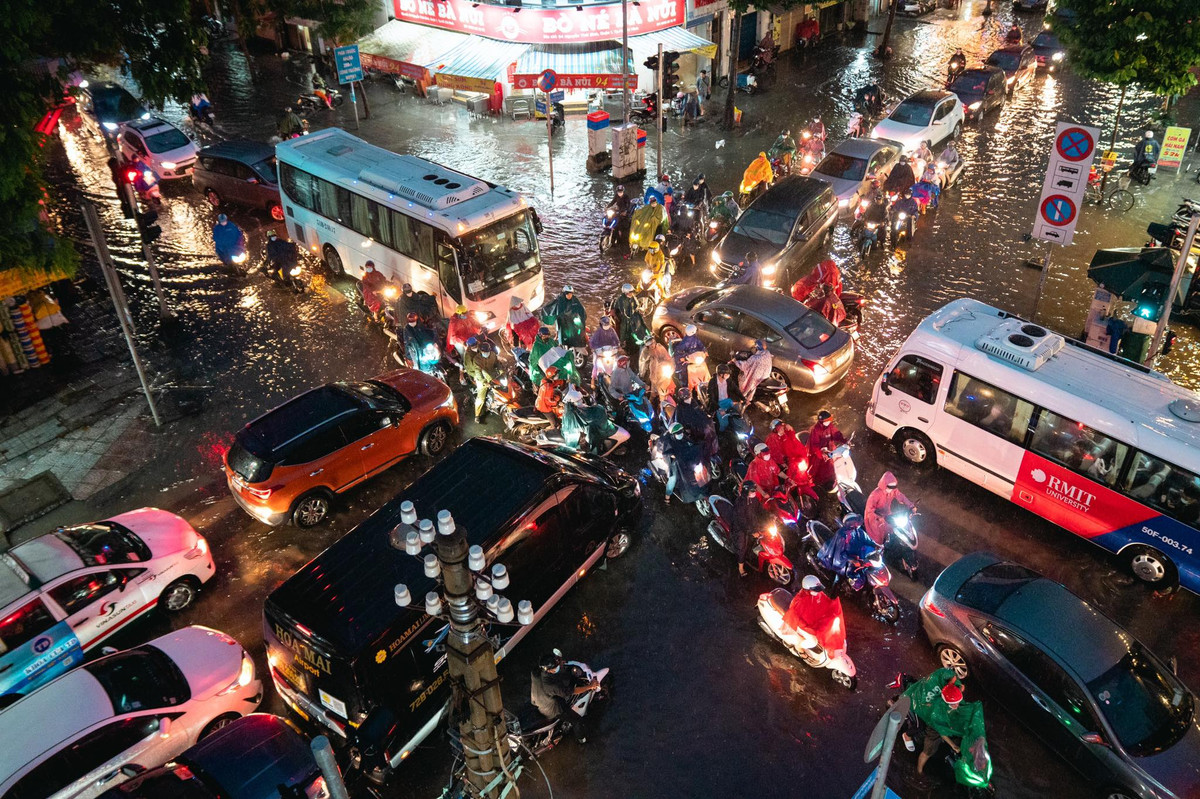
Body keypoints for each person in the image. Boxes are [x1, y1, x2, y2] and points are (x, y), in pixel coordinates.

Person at [902, 668, 990, 786]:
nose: (957, 705)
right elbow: (942, 731)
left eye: (958, 701)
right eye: (954, 703)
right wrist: (953, 745)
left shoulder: (954, 694)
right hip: (935, 728)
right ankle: (919, 771)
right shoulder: (937, 713)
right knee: (928, 751)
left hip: (949, 724)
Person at [531, 652, 598, 743]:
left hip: (537, 699)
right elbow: (571, 691)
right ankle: (582, 740)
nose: (557, 667)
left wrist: (558, 662)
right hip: (551, 709)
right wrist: (590, 686)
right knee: (577, 721)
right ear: (549, 670)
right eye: (555, 667)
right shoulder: (550, 686)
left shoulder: (535, 672)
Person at [783, 575, 847, 653]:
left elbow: (826, 602)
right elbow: (797, 619)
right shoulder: (800, 601)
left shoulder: (818, 593)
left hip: (813, 622)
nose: (818, 591)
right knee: (813, 642)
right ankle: (799, 647)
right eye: (816, 589)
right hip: (801, 625)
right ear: (807, 589)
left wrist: (834, 607)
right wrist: (809, 629)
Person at [729, 481, 770, 576]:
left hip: (752, 523)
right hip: (740, 527)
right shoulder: (740, 503)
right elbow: (741, 521)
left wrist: (770, 516)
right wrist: (752, 532)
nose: (754, 492)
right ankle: (741, 568)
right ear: (746, 491)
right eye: (752, 491)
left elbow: (760, 510)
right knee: (742, 547)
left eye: (754, 490)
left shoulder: (754, 499)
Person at [463, 337, 501, 422]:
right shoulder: (470, 356)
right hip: (477, 374)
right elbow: (475, 370)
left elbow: (497, 363)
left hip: (489, 373)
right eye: (473, 346)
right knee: (481, 398)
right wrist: (483, 382)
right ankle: (477, 415)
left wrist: (501, 370)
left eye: (475, 344)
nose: (475, 346)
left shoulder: (488, 352)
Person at [808, 410, 847, 491]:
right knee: (820, 469)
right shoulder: (815, 430)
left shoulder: (830, 426)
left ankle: (833, 479)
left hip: (830, 449)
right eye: (827, 420)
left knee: (834, 465)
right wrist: (821, 453)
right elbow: (814, 445)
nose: (829, 422)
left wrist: (844, 440)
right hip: (819, 453)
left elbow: (836, 434)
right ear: (822, 422)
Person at [543, 284, 587, 349]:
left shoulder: (575, 300)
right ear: (564, 293)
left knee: (580, 330)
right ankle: (559, 339)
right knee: (562, 332)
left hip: (572, 319)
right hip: (563, 320)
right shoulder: (559, 300)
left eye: (571, 294)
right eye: (567, 294)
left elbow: (581, 309)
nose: (569, 295)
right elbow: (557, 311)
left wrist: (582, 317)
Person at [640, 338, 676, 403]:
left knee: (668, 385)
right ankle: (652, 401)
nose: (652, 345)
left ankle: (671, 397)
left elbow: (667, 357)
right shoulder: (646, 351)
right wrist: (643, 372)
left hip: (663, 370)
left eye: (652, 343)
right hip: (654, 372)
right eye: (649, 345)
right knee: (654, 389)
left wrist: (670, 364)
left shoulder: (660, 347)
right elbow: (643, 362)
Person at [589, 316, 621, 386]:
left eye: (607, 324)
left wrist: (618, 346)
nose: (606, 326)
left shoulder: (612, 330)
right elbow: (592, 341)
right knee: (596, 363)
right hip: (600, 352)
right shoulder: (598, 332)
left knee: (617, 361)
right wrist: (593, 348)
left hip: (610, 351)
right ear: (601, 325)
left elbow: (616, 339)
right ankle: (593, 378)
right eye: (605, 325)